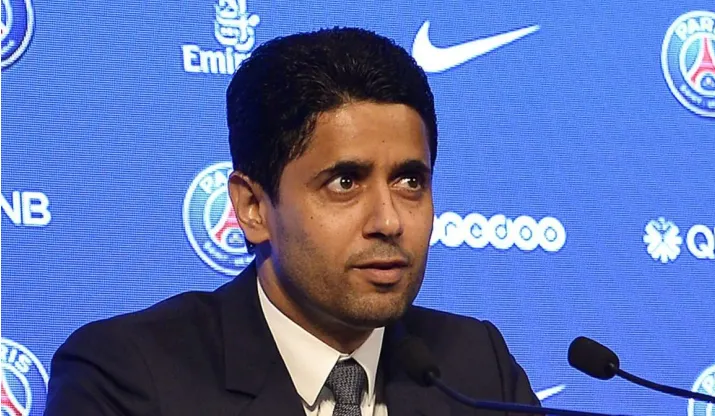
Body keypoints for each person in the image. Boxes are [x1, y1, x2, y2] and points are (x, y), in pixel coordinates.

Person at [44, 27, 540, 416]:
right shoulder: (127, 376)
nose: (389, 220)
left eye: (410, 181)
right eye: (345, 182)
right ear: (253, 208)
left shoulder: (475, 366)